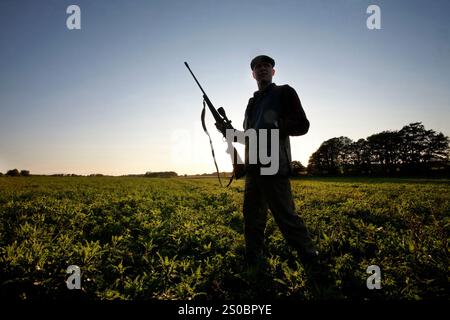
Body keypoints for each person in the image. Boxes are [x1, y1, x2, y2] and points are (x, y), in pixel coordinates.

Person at [217, 55, 318, 268]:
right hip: (253, 169)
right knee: (251, 218)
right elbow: (249, 137)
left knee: (286, 217)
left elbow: (302, 125)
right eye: (257, 67)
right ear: (253, 74)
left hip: (274, 165)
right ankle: (254, 259)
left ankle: (311, 260)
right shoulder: (251, 103)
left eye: (266, 66)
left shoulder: (285, 92)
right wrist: (228, 132)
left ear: (273, 72)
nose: (262, 69)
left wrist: (274, 126)